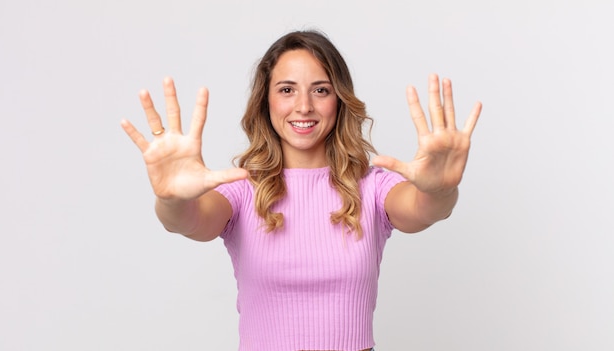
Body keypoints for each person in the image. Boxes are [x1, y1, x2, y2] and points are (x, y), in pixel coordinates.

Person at [121, 30, 482, 351]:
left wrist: (441, 190)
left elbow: (425, 209)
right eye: (287, 90)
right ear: (267, 101)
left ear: (339, 100)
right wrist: (170, 199)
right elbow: (188, 221)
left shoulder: (372, 187)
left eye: (320, 90)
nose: (304, 106)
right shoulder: (243, 190)